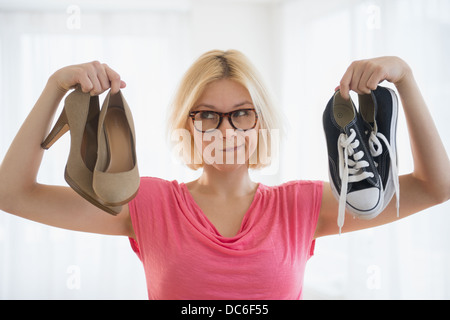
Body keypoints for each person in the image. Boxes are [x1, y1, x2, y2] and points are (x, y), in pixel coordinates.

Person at [0, 50, 449, 299]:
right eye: (208, 115)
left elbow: (435, 187)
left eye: (241, 114)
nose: (226, 129)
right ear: (188, 123)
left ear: (261, 120)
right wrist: (55, 86)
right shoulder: (146, 203)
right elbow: (13, 193)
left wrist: (405, 78)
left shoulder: (302, 207)